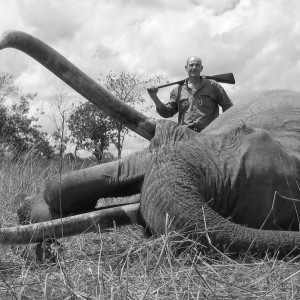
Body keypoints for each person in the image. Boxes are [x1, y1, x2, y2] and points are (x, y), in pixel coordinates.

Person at [147, 56, 233, 132]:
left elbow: (228, 108)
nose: (194, 67)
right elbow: (167, 113)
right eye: (191, 65)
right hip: (186, 137)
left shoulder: (213, 85)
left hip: (210, 136)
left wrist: (225, 128)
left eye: (197, 65)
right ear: (186, 67)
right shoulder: (177, 90)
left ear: (201, 68)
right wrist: (154, 96)